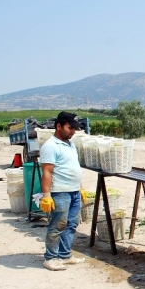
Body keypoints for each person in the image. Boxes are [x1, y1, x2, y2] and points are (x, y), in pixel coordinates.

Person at [40, 112, 88, 271]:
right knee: (57, 225)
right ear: (58, 126)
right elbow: (47, 172)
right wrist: (46, 196)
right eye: (70, 128)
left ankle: (65, 255)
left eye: (75, 128)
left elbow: (73, 168)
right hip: (60, 192)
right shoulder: (50, 146)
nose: (73, 131)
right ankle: (50, 258)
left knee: (72, 224)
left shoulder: (70, 144)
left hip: (73, 191)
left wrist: (80, 188)